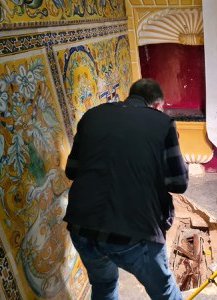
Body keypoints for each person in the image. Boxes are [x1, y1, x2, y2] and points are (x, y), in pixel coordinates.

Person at [63, 78, 188, 300]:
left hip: (82, 228)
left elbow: (71, 171)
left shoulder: (92, 115)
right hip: (134, 233)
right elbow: (179, 184)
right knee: (165, 292)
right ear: (158, 105)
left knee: (104, 285)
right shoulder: (163, 123)